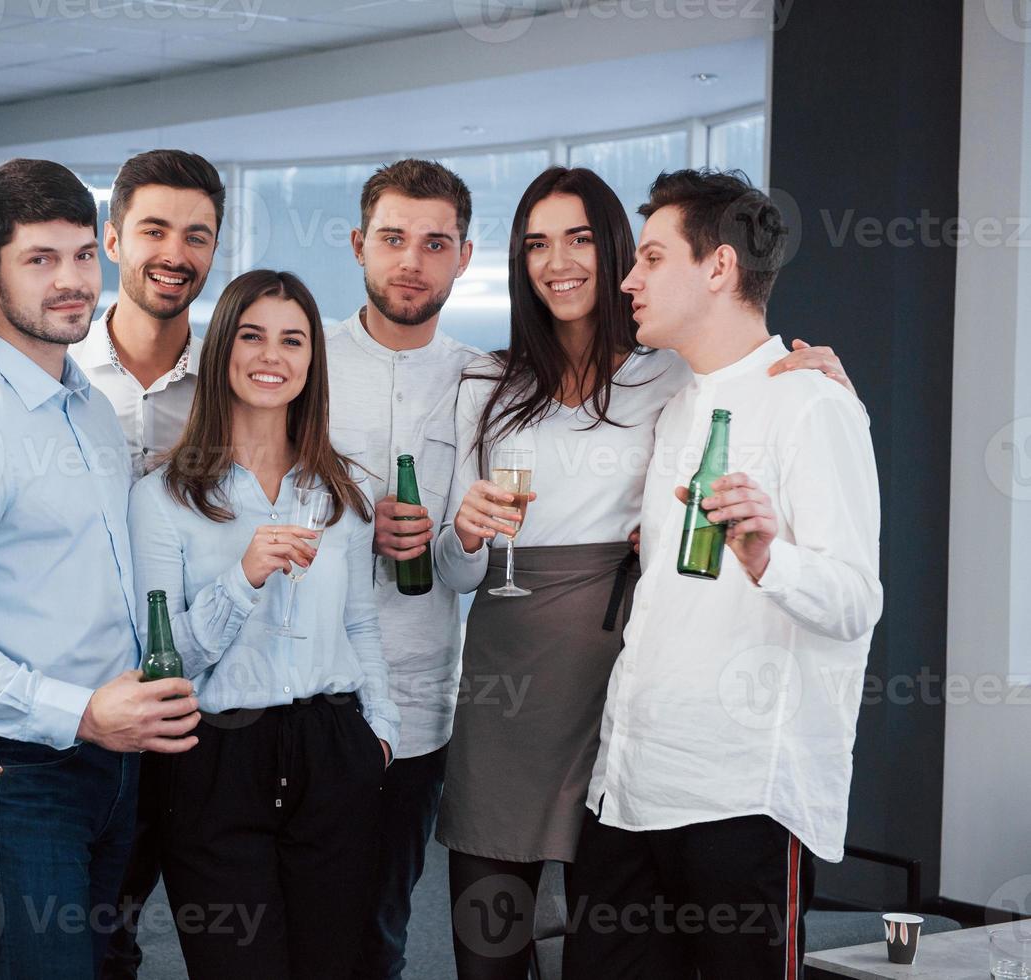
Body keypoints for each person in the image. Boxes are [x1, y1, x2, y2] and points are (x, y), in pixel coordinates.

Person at [431, 166, 861, 980]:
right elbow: (458, 572)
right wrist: (464, 534)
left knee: (639, 941)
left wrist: (831, 381)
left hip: (641, 711)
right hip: (546, 699)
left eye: (584, 239)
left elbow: (752, 374)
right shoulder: (491, 383)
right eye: (535, 244)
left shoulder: (679, 375)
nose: (561, 261)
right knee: (501, 946)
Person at [560, 169, 882, 979]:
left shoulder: (814, 405)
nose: (627, 279)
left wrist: (771, 560)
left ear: (719, 268)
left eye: (651, 258)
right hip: (630, 788)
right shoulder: (679, 403)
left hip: (740, 801)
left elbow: (856, 600)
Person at [0, 158, 200, 980]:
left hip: (115, 762)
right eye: (39, 259)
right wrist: (80, 713)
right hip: (20, 771)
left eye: (83, 255)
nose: (71, 282)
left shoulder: (88, 410)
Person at [128, 269, 400, 980]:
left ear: (313, 361)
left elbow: (361, 626)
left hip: (333, 750)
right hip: (215, 760)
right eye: (251, 336)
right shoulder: (164, 497)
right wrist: (241, 580)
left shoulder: (344, 490)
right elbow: (165, 665)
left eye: (293, 340)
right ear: (221, 351)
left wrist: (381, 736)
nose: (271, 356)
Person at [323, 158, 480, 980]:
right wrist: (356, 530)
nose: (410, 261)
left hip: (419, 700)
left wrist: (464, 535)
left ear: (464, 256)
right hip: (308, 690)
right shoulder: (299, 358)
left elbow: (463, 575)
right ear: (358, 245)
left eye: (434, 242)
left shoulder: (486, 381)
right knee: (291, 915)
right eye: (392, 238)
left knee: (381, 923)